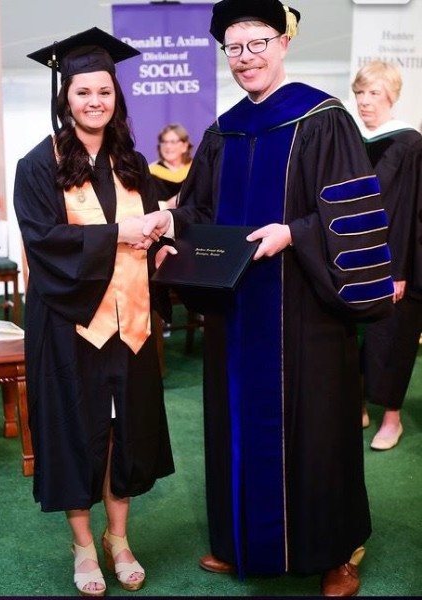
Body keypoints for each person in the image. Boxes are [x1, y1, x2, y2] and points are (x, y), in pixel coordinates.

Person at [143, 0, 394, 596]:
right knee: (234, 424)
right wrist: (172, 231)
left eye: (257, 43)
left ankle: (335, 552)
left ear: (283, 43)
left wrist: (295, 232)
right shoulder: (223, 131)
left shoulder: (322, 118)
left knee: (319, 429)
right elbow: (200, 211)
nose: (246, 58)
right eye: (234, 47)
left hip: (305, 309)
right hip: (238, 313)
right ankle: (242, 542)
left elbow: (351, 213)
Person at [13, 27, 174, 596]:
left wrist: (159, 238)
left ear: (116, 96)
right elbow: (45, 243)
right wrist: (118, 234)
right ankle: (84, 544)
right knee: (77, 430)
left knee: (124, 428)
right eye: (83, 92)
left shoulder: (133, 163)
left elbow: (148, 238)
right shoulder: (38, 165)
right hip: (68, 322)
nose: (95, 102)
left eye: (104, 91)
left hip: (129, 322)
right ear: (66, 98)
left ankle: (119, 537)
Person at [352, 61, 422, 449]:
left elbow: (412, 212)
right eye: (360, 92)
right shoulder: (351, 138)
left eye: (373, 93)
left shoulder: (410, 144)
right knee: (349, 336)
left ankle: (391, 418)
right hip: (351, 259)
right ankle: (357, 404)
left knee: (390, 338)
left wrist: (398, 270)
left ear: (391, 96)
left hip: (393, 261)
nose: (364, 101)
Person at [149, 123, 193, 209]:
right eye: (164, 142)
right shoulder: (151, 173)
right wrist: (167, 205)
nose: (168, 146)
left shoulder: (196, 170)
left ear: (185, 146)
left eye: (173, 142)